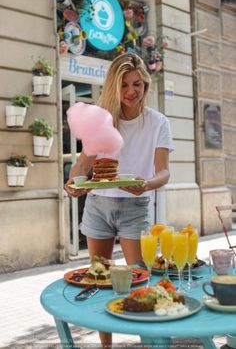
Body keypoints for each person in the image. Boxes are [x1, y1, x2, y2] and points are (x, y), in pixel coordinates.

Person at [65, 53, 174, 348]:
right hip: (98, 204)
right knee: (100, 280)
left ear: (145, 84)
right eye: (123, 84)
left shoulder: (157, 123)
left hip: (134, 208)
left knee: (140, 279)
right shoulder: (102, 120)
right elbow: (83, 165)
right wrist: (74, 185)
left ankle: (153, 342)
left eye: (136, 83)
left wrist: (146, 185)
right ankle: (106, 346)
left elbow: (163, 172)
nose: (130, 91)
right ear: (113, 86)